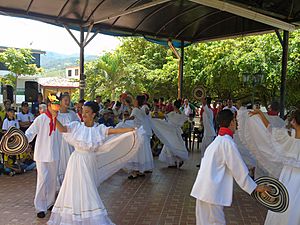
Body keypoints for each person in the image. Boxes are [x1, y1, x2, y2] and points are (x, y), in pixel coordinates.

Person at [47, 101, 141, 225]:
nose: (83, 114)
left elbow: (113, 131)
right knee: (73, 188)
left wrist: (130, 130)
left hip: (89, 161)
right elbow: (63, 129)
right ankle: (74, 217)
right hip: (76, 161)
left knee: (88, 188)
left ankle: (91, 217)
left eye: (87, 112)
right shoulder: (76, 126)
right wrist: (54, 117)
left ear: (94, 114)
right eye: (82, 111)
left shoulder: (99, 129)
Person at [190, 109, 269, 225]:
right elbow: (239, 171)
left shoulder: (217, 141)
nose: (236, 124)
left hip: (202, 191)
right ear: (231, 122)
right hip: (212, 193)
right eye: (235, 121)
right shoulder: (227, 143)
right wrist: (255, 187)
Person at [237, 108, 300, 225]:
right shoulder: (288, 135)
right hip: (293, 177)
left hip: (287, 176)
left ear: (294, 121)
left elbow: (269, 129)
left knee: (284, 204)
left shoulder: (287, 136)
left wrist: (260, 114)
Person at [25, 94, 61, 218]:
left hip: (55, 154)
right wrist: (22, 140)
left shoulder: (59, 119)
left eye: (58, 105)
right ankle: (40, 207)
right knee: (42, 180)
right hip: (41, 154)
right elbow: (30, 133)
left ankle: (50, 203)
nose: (57, 107)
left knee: (52, 180)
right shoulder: (40, 119)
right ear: (50, 106)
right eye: (55, 105)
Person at [151, 100, 188, 168]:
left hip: (172, 132)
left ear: (174, 106)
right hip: (176, 132)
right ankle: (174, 162)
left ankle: (177, 161)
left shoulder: (172, 114)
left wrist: (154, 118)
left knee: (171, 146)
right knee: (174, 146)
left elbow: (163, 117)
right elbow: (185, 119)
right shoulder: (182, 114)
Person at [125, 95, 154, 179]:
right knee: (142, 152)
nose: (133, 101)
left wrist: (126, 119)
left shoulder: (136, 110)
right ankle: (140, 170)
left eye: (135, 100)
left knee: (136, 151)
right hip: (143, 133)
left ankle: (135, 172)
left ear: (137, 101)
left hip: (138, 133)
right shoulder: (141, 109)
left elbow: (132, 117)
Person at [54, 93, 80, 186]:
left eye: (69, 100)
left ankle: (69, 184)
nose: (67, 102)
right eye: (65, 100)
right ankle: (59, 184)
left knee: (69, 160)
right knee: (59, 160)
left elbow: (78, 126)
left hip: (70, 142)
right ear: (60, 101)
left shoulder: (72, 114)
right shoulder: (56, 114)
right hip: (58, 140)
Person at [198, 97, 216, 164]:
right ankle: (203, 163)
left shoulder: (210, 111)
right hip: (206, 133)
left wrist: (203, 103)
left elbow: (205, 107)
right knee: (203, 148)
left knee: (208, 149)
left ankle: (208, 163)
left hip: (210, 133)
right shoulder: (205, 112)